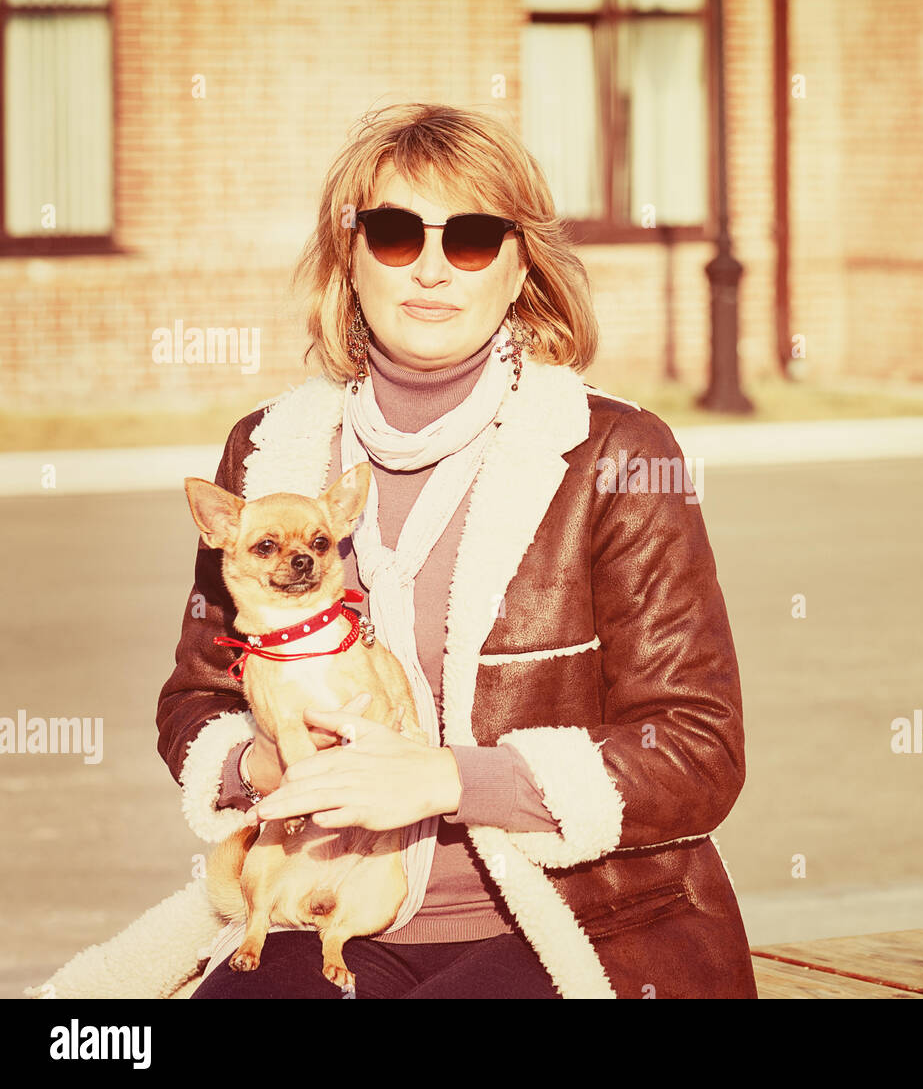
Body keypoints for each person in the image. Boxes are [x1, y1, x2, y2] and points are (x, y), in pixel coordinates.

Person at [155, 101, 757, 999]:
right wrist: (269, 764)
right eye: (396, 234)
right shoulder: (270, 454)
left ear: (521, 268)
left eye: (472, 237)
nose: (432, 269)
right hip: (314, 900)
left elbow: (698, 750)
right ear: (348, 255)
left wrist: (446, 779)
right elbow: (197, 700)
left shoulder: (615, 456)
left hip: (576, 919)